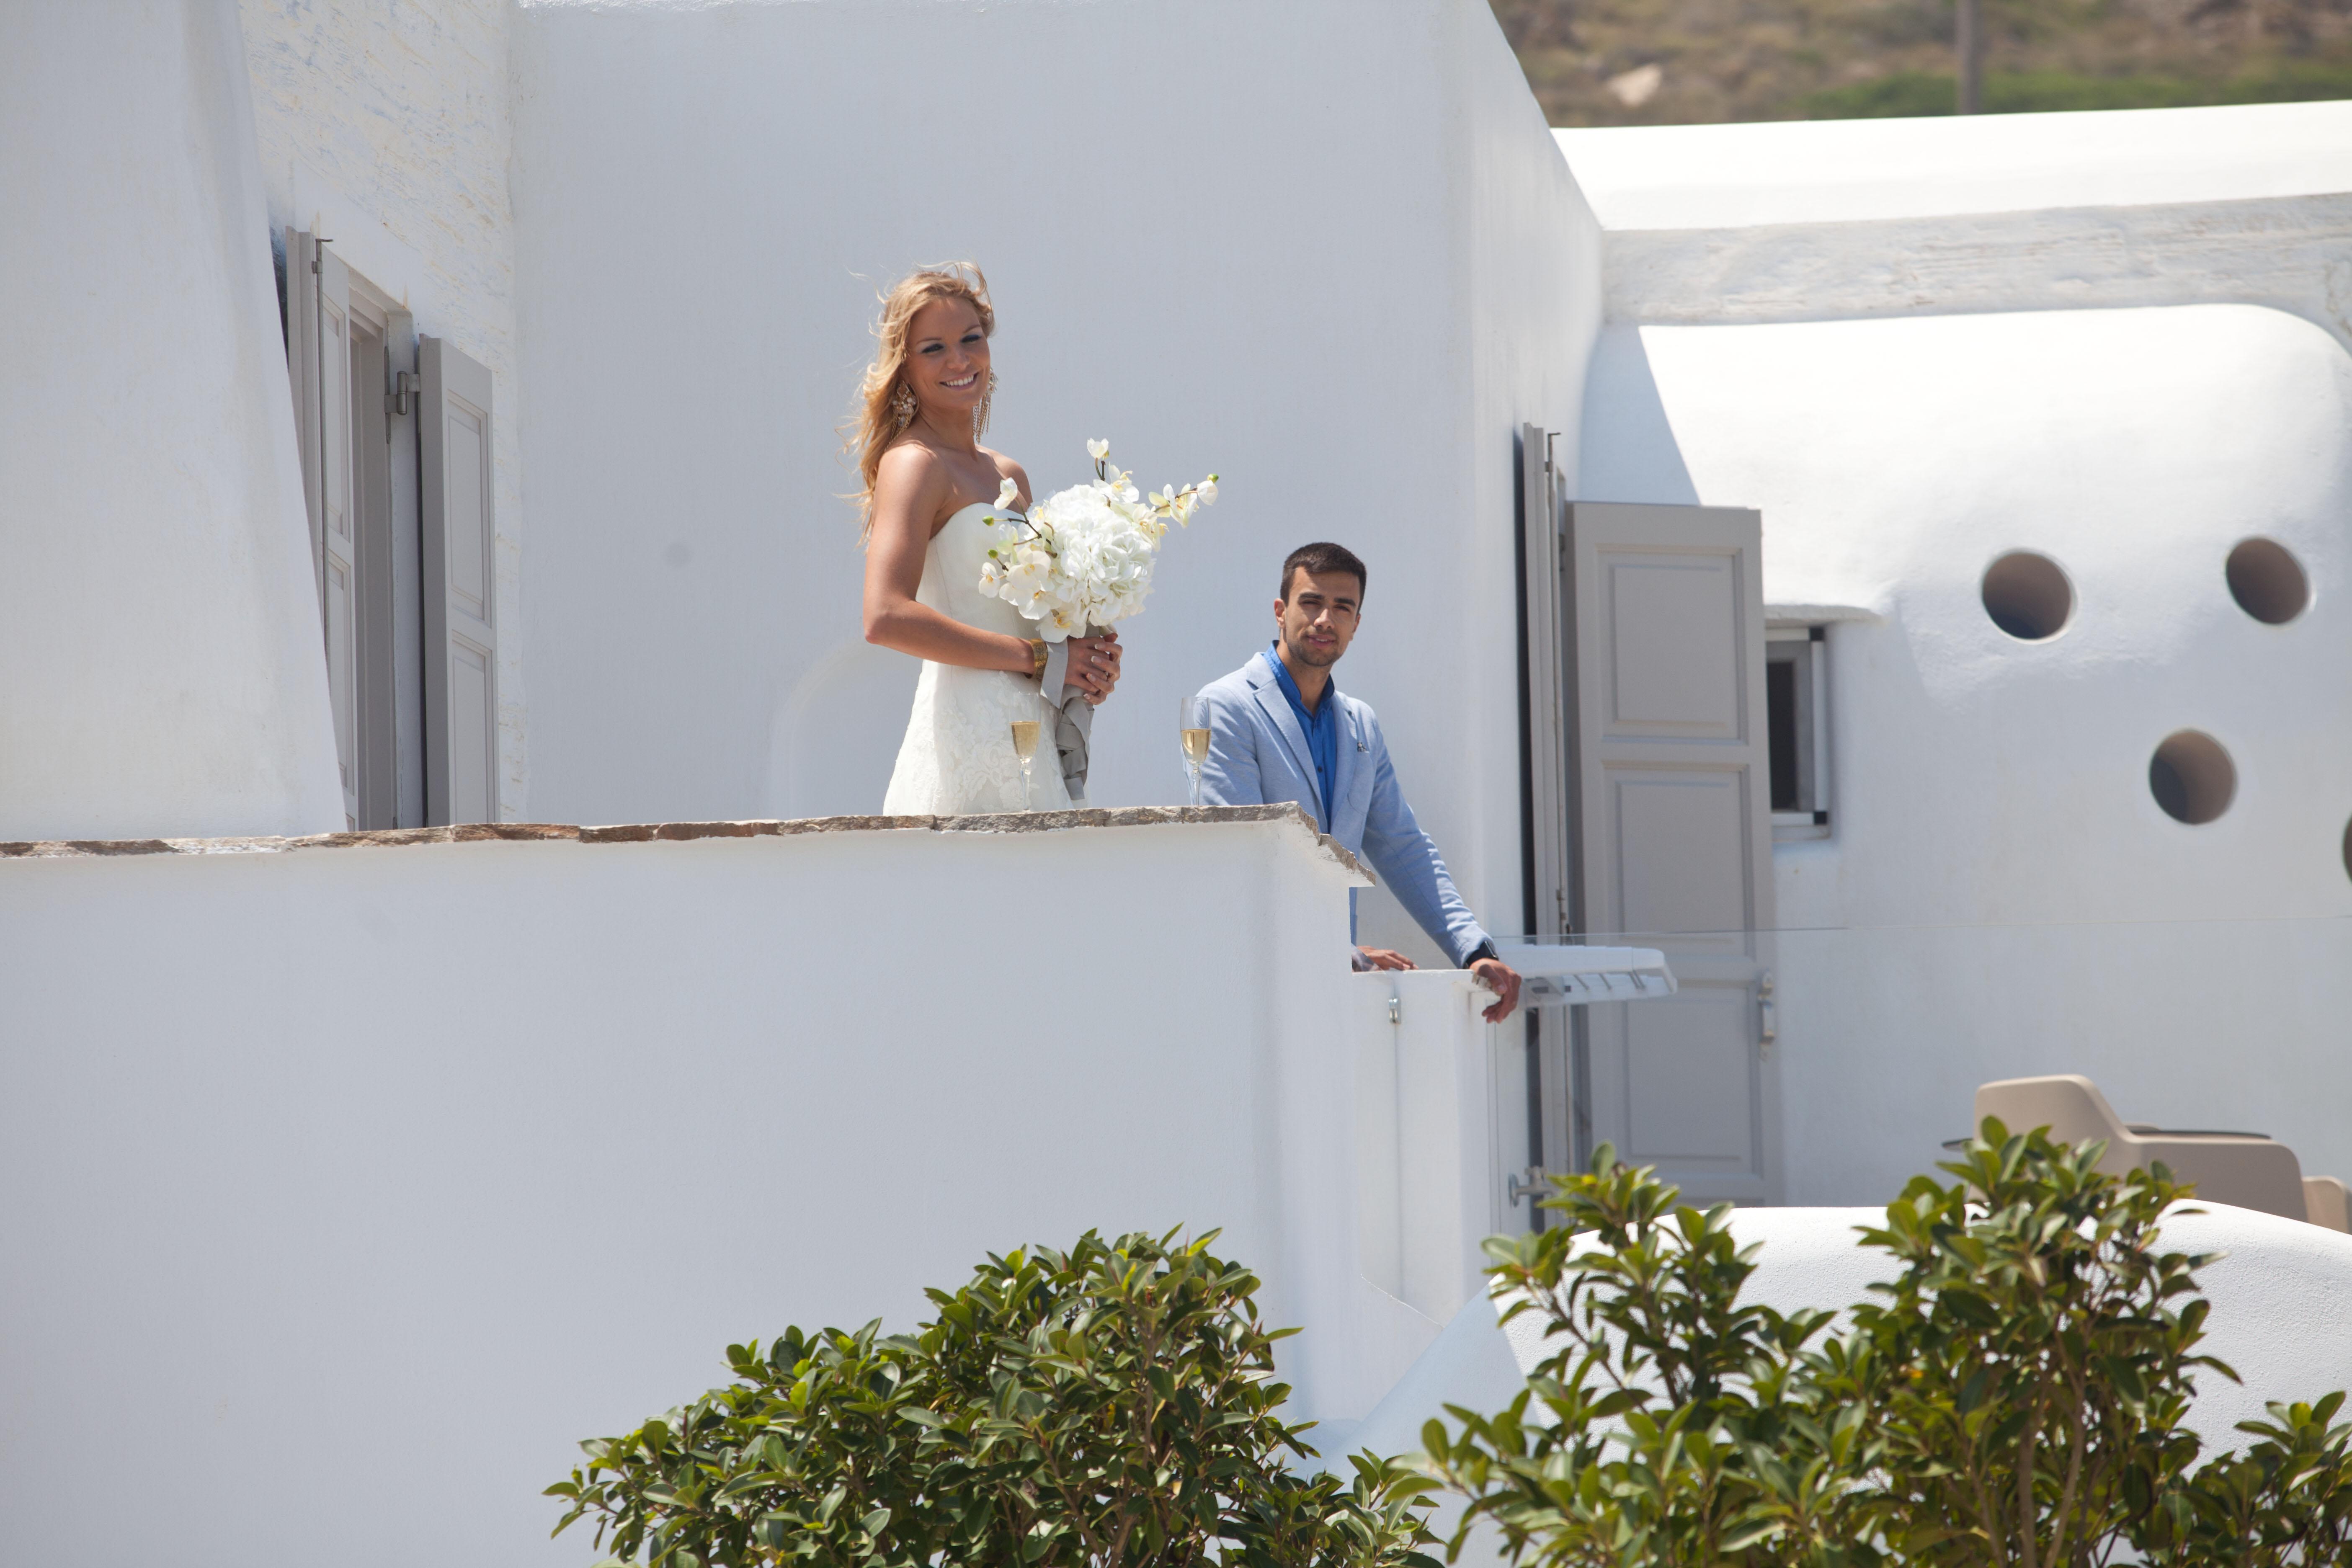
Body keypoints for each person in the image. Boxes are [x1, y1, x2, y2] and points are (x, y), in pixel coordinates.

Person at [1192, 543, 1523, 1022]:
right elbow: (1241, 856)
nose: (1326, 619)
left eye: (1342, 607)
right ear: (1281, 612)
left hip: (1334, 992)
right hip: (1250, 981)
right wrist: (1337, 950)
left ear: (1356, 624)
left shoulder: (1360, 725)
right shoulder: (1224, 707)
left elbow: (1403, 846)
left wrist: (1474, 950)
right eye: (1311, 602)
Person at [856, 264, 1123, 813]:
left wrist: (1084, 657)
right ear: (903, 366)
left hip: (1032, 730)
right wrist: (1041, 658)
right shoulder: (913, 464)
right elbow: (884, 616)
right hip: (966, 731)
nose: (959, 360)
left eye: (970, 340)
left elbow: (1030, 615)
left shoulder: (1009, 473)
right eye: (933, 348)